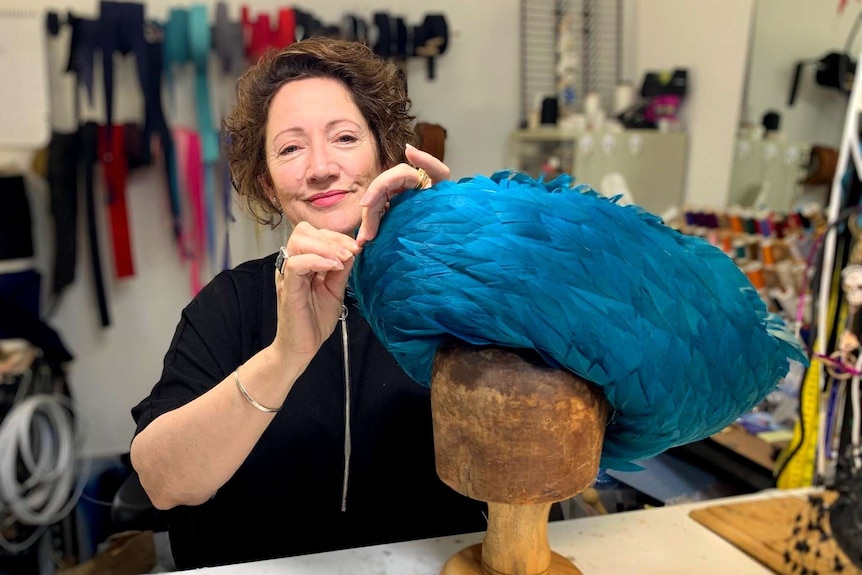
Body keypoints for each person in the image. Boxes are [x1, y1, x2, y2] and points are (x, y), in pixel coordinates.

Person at [128, 37, 488, 569]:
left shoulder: (452, 292)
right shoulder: (229, 306)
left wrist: (475, 261)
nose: (320, 168)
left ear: (385, 154)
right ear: (270, 186)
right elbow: (162, 485)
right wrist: (285, 355)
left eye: (344, 137)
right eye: (291, 148)